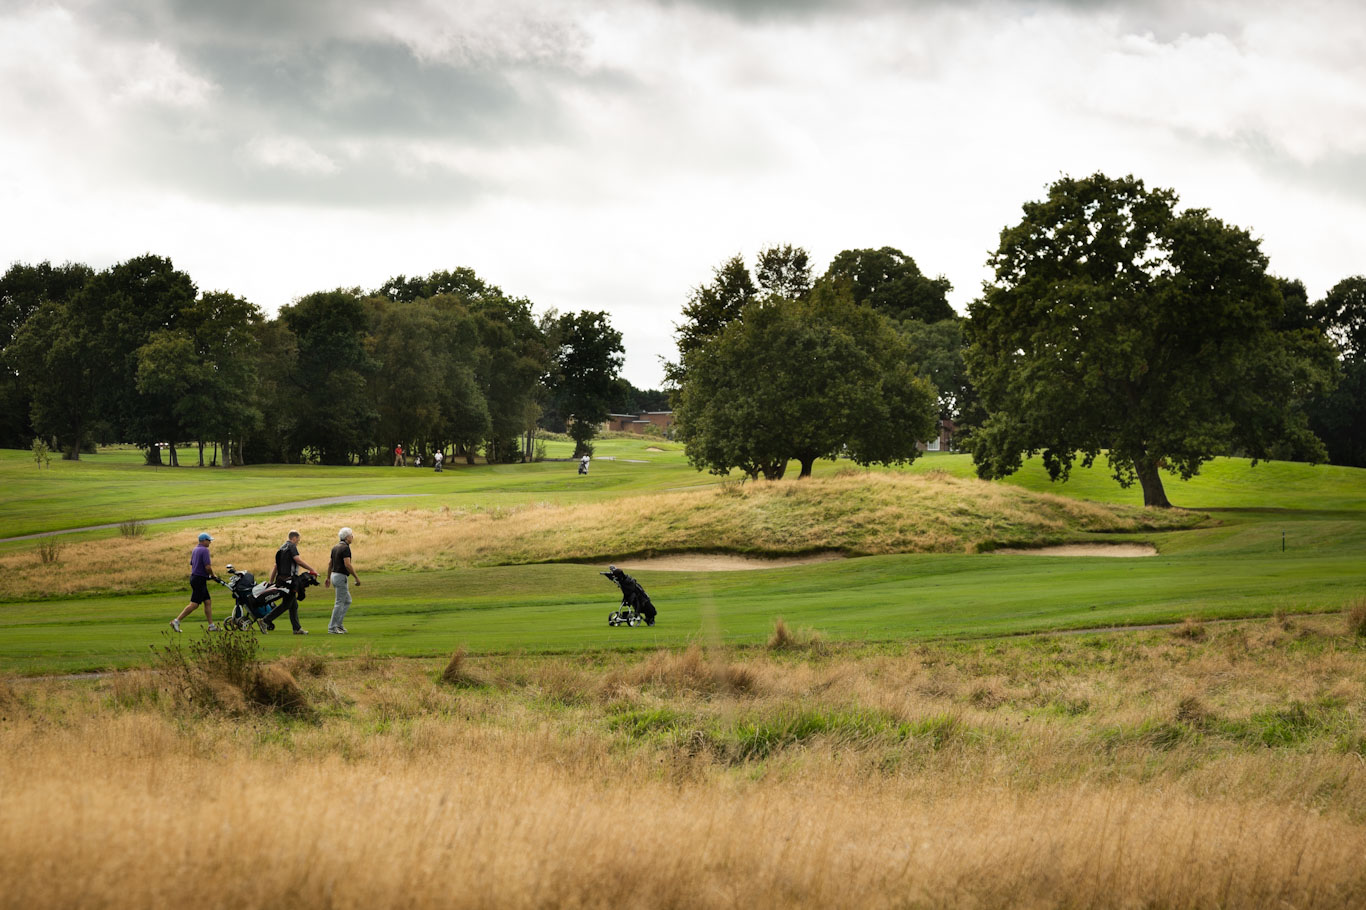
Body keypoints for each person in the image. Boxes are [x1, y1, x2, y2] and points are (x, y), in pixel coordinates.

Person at [262, 530, 319, 634]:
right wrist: (312, 570)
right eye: (298, 540)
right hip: (289, 580)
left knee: (293, 605)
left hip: (281, 579)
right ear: (294, 538)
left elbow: (276, 566)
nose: (298, 542)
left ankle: (296, 629)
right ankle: (265, 620)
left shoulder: (281, 548)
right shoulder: (292, 546)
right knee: (287, 604)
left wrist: (271, 581)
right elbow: (298, 560)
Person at [171, 532, 219, 632]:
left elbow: (193, 564)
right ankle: (176, 621)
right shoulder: (205, 550)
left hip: (195, 578)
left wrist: (206, 576)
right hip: (199, 580)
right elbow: (208, 567)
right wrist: (213, 575)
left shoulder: (195, 549)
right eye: (209, 540)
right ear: (204, 540)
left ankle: (211, 626)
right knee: (194, 604)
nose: (210, 542)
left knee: (207, 602)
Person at [324, 527, 360, 634]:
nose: (352, 537)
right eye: (351, 535)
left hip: (334, 576)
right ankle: (332, 627)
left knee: (347, 600)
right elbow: (347, 565)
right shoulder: (345, 548)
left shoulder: (335, 547)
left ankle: (338, 624)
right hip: (340, 577)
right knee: (339, 602)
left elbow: (330, 564)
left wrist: (328, 577)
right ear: (347, 537)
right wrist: (356, 577)